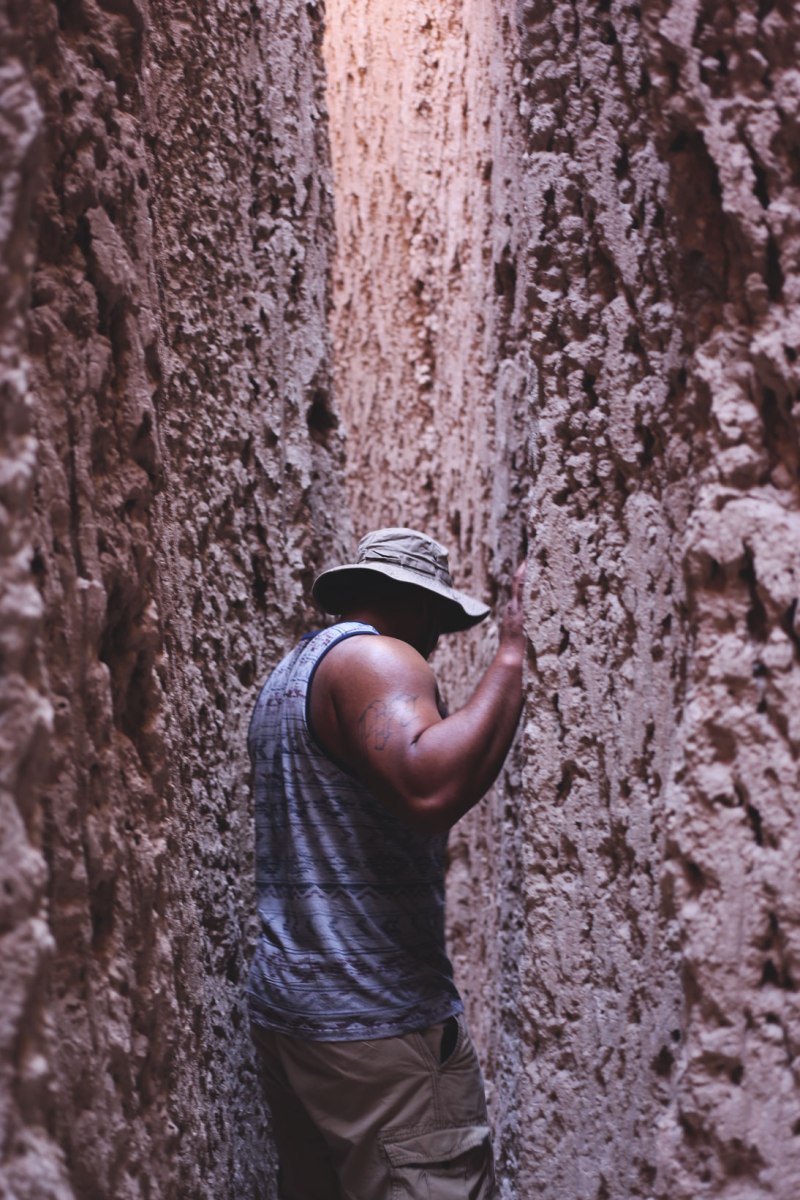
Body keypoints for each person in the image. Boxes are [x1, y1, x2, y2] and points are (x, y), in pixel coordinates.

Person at [246, 527, 525, 1199]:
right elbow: (428, 787)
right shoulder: (378, 658)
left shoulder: (292, 675)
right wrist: (512, 657)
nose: (435, 643)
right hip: (378, 1024)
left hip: (298, 1016)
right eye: (439, 622)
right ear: (421, 605)